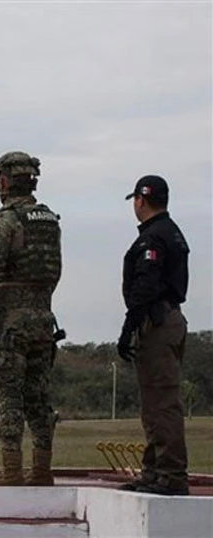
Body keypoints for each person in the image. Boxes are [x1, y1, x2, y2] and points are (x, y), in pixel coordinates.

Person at [0, 151, 62, 486]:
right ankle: (42, 470)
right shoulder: (48, 221)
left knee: (8, 393)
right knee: (39, 396)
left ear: (4, 181)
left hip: (9, 323)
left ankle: (14, 471)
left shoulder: (3, 223)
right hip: (44, 320)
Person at [117, 175, 190, 496]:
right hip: (166, 318)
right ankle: (154, 471)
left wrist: (128, 325)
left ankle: (170, 475)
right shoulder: (169, 232)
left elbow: (146, 284)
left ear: (140, 200)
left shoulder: (153, 238)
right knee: (155, 402)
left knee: (161, 402)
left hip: (157, 321)